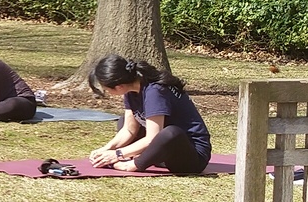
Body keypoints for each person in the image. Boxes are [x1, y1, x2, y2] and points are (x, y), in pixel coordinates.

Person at [83, 55, 212, 175]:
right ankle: (145, 157)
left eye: (107, 90)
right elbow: (129, 129)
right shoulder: (130, 90)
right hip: (163, 151)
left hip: (191, 156)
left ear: (119, 86)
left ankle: (136, 163)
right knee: (124, 121)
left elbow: (153, 138)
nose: (107, 93)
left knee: (171, 132)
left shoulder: (155, 92)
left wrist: (117, 154)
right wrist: (106, 149)